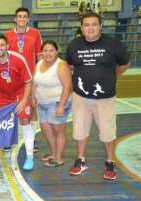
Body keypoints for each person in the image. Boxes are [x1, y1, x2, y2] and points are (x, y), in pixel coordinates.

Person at [66, 12, 130, 180]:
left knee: (107, 132)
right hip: (81, 97)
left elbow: (125, 63)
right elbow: (70, 65)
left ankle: (110, 161)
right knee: (80, 130)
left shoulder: (113, 44)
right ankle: (81, 160)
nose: (90, 28)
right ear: (81, 28)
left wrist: (112, 75)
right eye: (86, 25)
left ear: (100, 26)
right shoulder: (74, 45)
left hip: (105, 98)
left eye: (94, 24)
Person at [0, 34, 35, 171]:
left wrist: (24, 100)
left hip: (19, 93)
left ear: (7, 46)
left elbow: (28, 81)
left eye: (2, 45)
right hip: (2, 94)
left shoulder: (18, 59)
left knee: (24, 121)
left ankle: (29, 156)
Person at [5, 7, 43, 151]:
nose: (22, 19)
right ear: (15, 19)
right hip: (13, 78)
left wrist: (39, 74)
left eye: (24, 16)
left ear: (28, 19)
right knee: (10, 107)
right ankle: (9, 139)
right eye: (19, 16)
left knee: (32, 107)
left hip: (31, 77)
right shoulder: (7, 35)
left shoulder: (35, 33)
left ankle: (31, 140)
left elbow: (39, 55)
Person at [32, 40, 72, 167]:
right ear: (41, 52)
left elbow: (67, 87)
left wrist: (61, 105)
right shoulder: (39, 63)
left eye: (51, 50)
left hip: (56, 102)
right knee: (46, 130)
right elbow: (34, 82)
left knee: (57, 129)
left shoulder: (61, 65)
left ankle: (58, 158)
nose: (48, 53)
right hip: (42, 103)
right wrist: (32, 97)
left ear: (56, 51)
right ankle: (54, 153)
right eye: (45, 51)